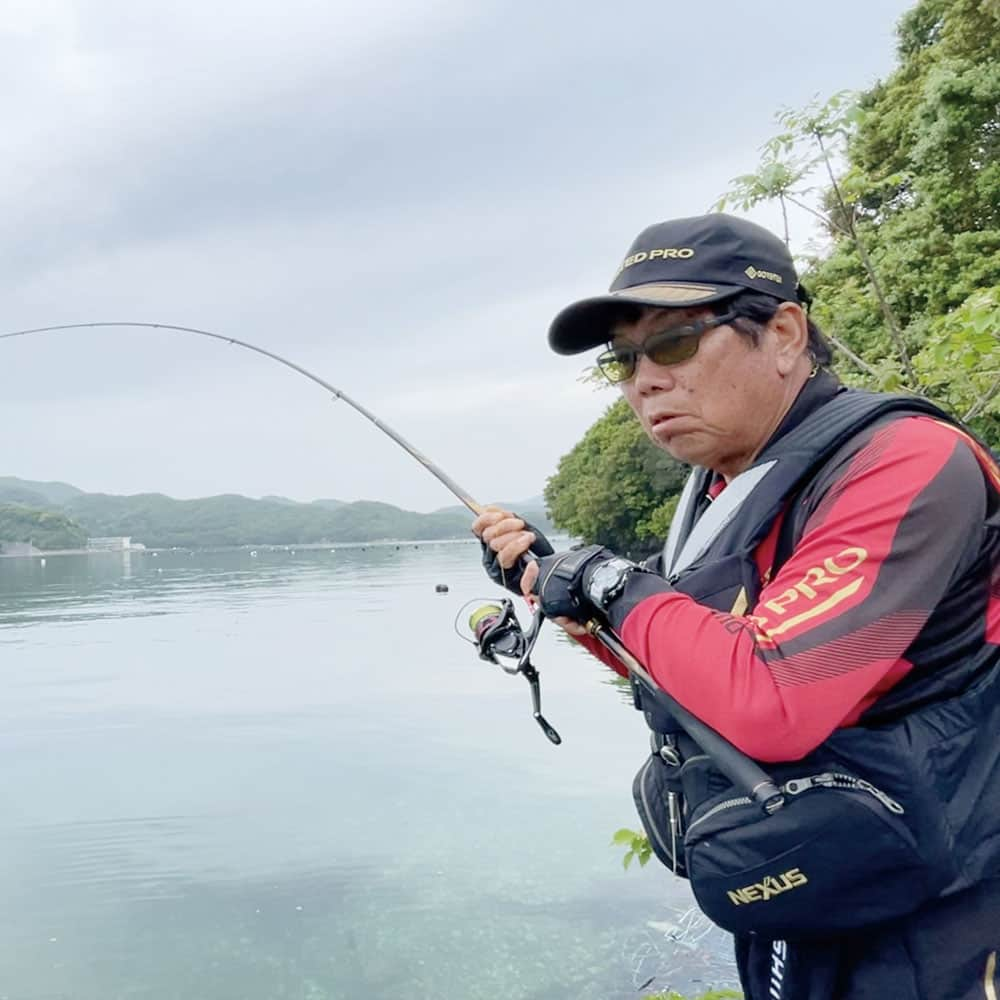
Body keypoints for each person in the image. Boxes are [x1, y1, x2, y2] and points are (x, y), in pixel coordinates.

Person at [471, 213, 1000, 1000]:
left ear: (785, 333)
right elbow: (687, 672)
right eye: (625, 361)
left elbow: (769, 695)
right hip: (814, 883)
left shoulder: (908, 462)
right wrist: (561, 588)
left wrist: (614, 582)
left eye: (675, 344)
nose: (645, 381)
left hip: (942, 908)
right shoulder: (724, 489)